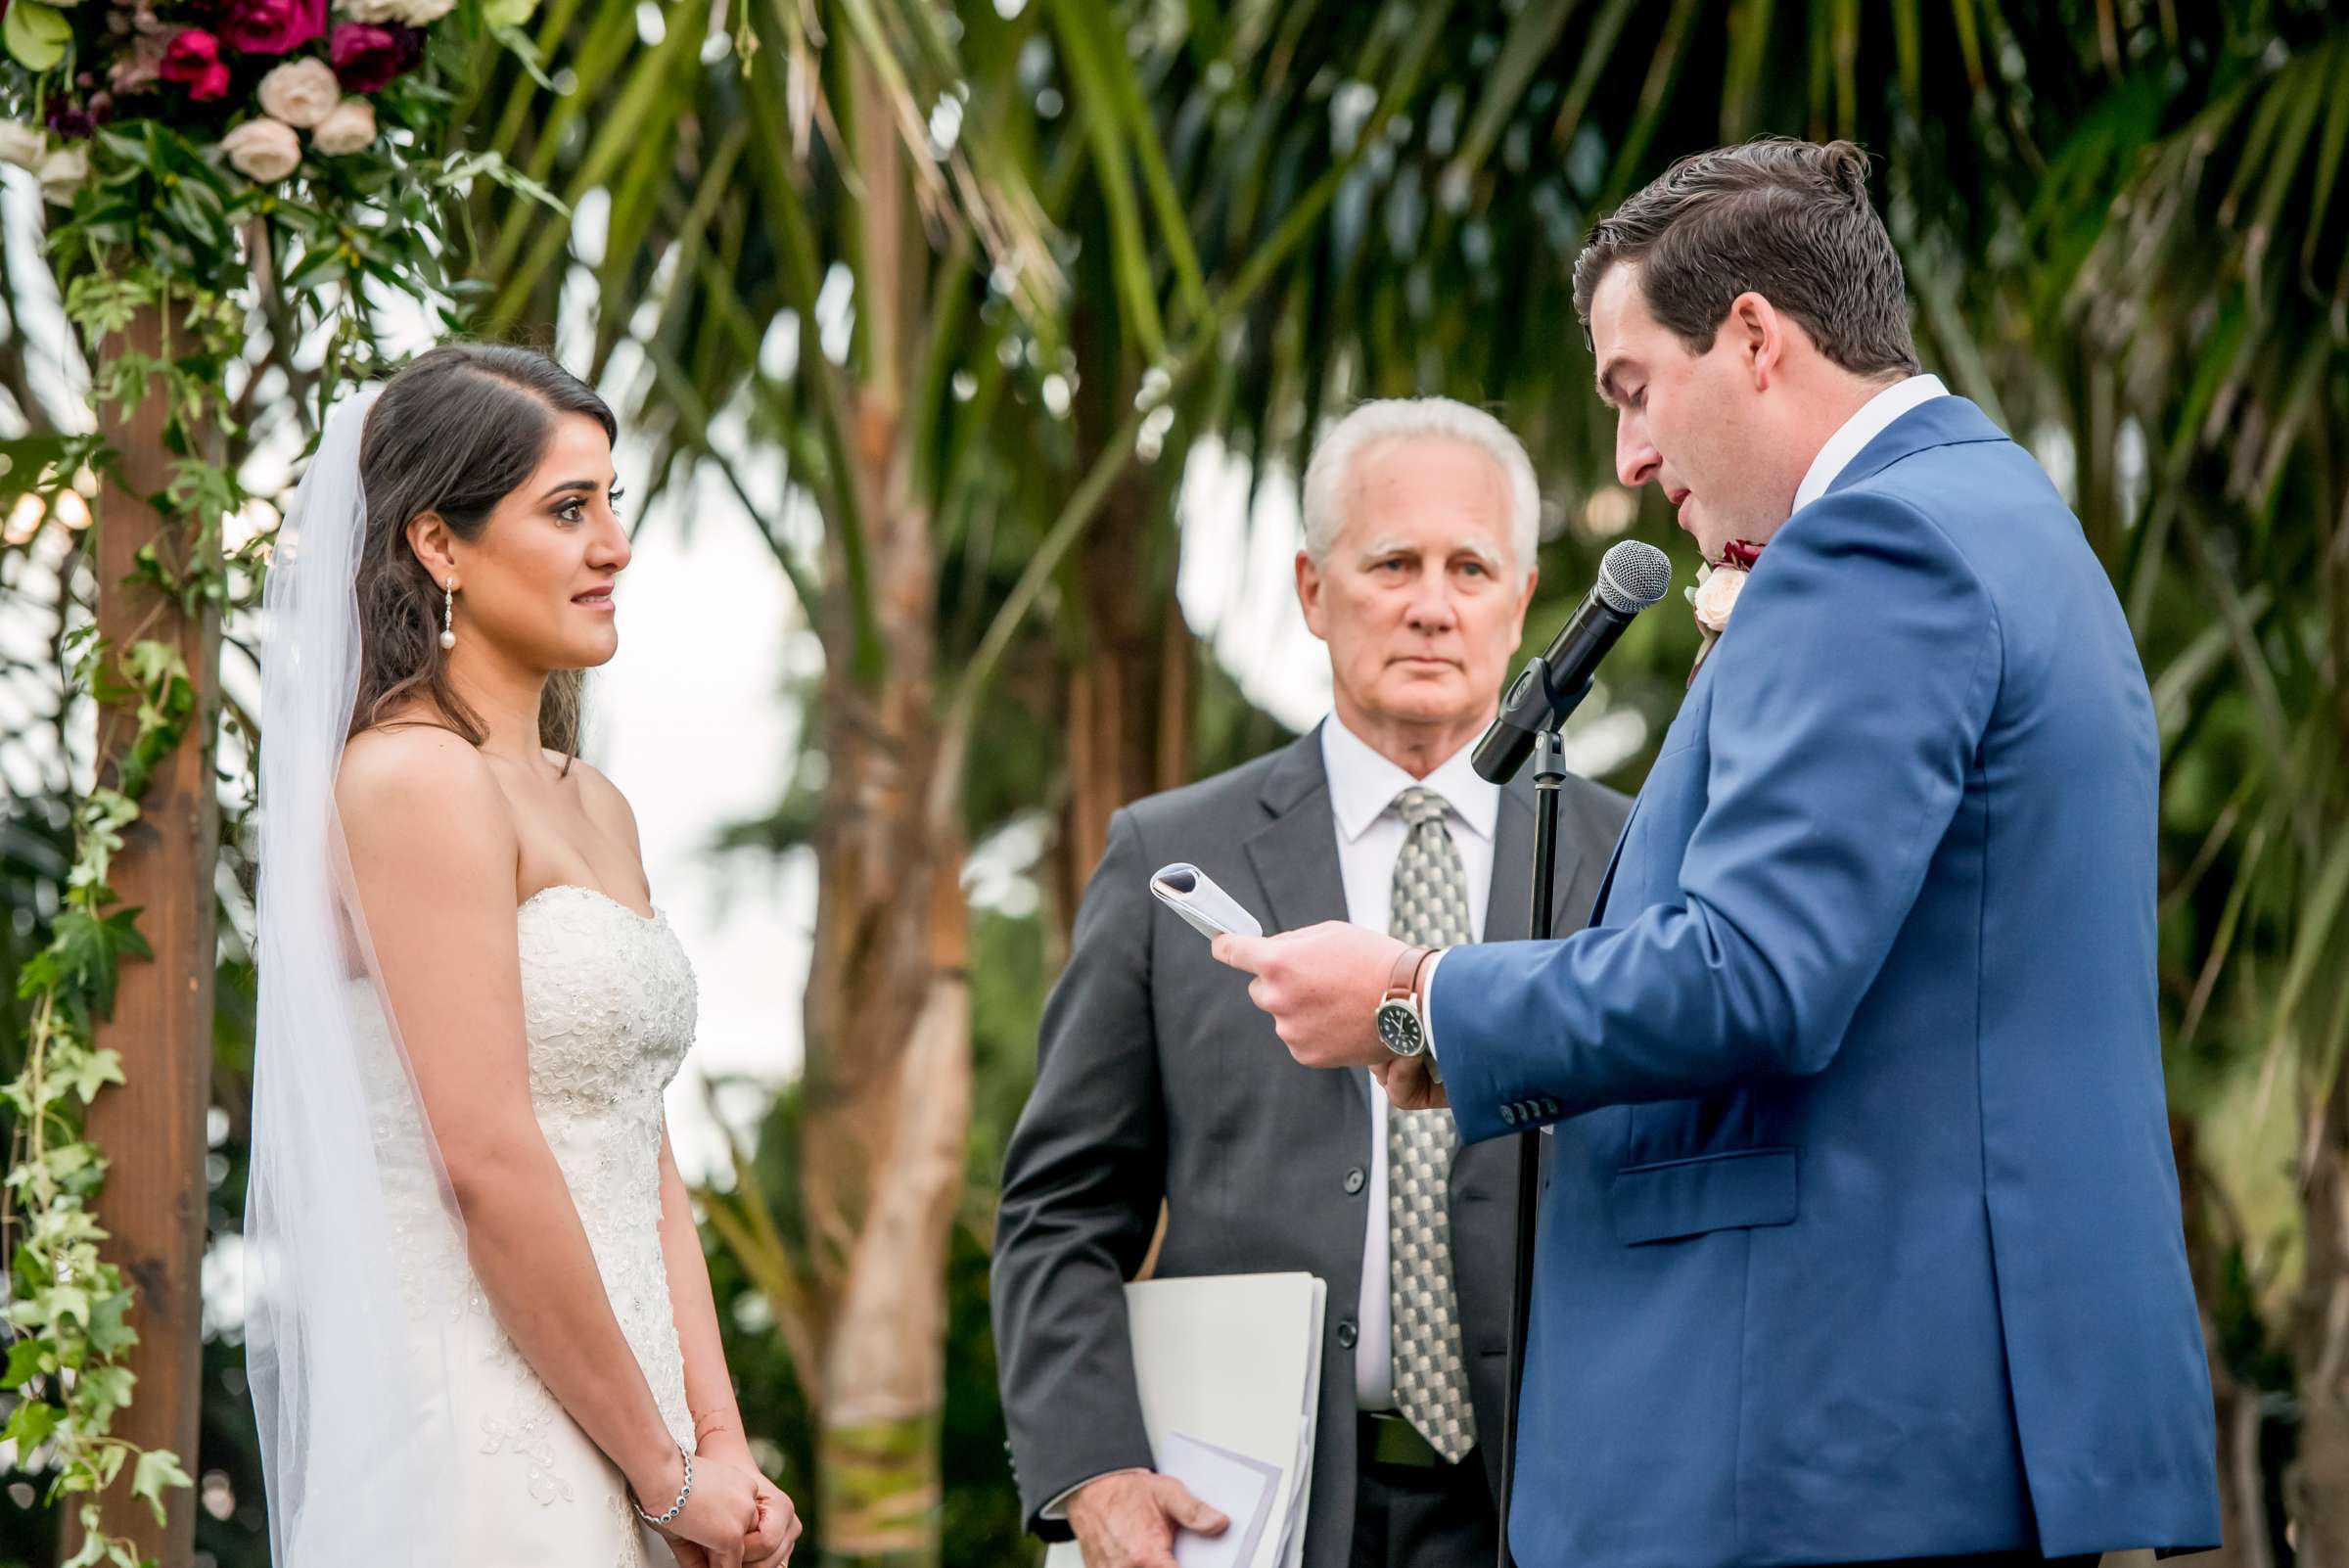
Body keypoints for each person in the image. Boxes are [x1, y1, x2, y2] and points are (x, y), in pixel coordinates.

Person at [1215, 140, 2223, 1568]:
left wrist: (1415, 991)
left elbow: (1755, 973)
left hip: (1819, 1435)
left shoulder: (1876, 549)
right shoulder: (2002, 520)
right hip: (1936, 1418)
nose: (1628, 458)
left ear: (1753, 335)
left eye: (1634, 389)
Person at [991, 397, 1629, 1568]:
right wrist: (1091, 1467)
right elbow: (1061, 1208)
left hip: (1562, 1513)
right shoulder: (1169, 854)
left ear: (1521, 599)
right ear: (1312, 589)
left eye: (1470, 567)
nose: (1433, 604)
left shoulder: (1627, 860)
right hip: (1253, 1513)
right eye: (1392, 562)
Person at [244, 345, 802, 1568]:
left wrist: (720, 1442)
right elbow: (486, 1162)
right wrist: (660, 1475)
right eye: (568, 510)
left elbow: (642, 1149)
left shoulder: (593, 801)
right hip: (489, 1428)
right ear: (438, 545)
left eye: (615, 502)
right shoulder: (409, 782)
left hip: (644, 1418)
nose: (616, 545)